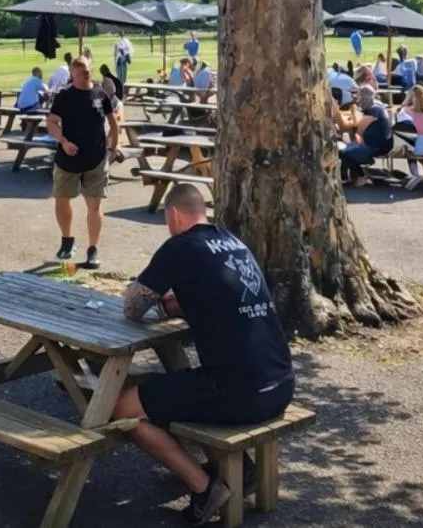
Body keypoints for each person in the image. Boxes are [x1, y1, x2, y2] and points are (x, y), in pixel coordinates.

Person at [111, 184, 294, 525]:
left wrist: (152, 299)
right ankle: (245, 471)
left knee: (124, 408)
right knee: (165, 388)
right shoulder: (233, 243)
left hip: (239, 393)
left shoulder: (179, 247)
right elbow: (225, 294)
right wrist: (178, 305)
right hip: (281, 384)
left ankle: (204, 487)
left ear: (173, 215)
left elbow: (132, 308)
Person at [47, 56, 121, 269]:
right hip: (67, 159)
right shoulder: (64, 96)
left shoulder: (100, 94)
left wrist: (113, 148)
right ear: (72, 75)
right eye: (79, 74)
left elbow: (113, 123)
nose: (83, 77)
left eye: (87, 73)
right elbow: (51, 121)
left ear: (91, 71)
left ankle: (93, 249)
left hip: (95, 159)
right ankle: (67, 239)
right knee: (62, 200)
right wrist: (63, 141)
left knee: (95, 204)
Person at [340, 85, 395, 187]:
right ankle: (354, 177)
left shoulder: (372, 110)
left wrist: (353, 144)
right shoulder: (378, 107)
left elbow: (359, 132)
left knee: (344, 152)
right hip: (383, 143)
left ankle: (359, 177)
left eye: (359, 95)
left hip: (375, 147)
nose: (358, 98)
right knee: (350, 150)